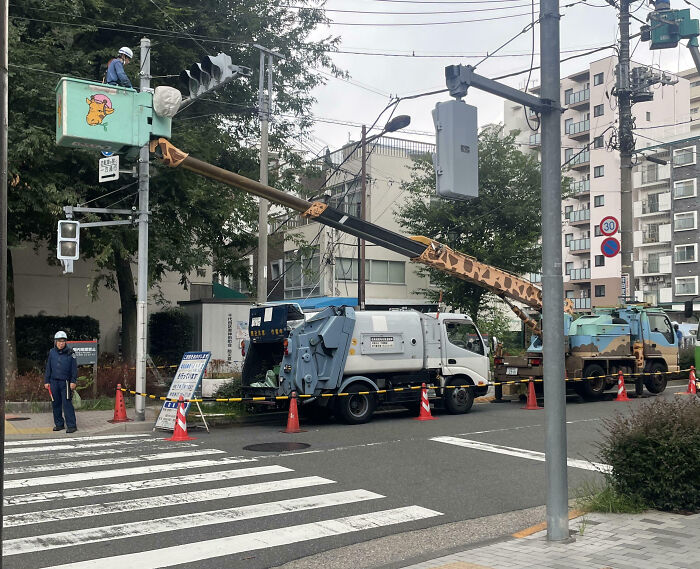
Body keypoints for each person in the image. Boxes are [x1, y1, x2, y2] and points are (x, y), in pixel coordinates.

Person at [44, 331, 78, 433]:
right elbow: (48, 367)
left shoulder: (71, 353)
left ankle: (72, 425)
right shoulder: (52, 352)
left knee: (67, 403)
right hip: (53, 382)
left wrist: (73, 381)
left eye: (63, 341)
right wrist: (46, 381)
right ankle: (59, 424)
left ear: (65, 342)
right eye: (59, 341)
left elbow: (74, 369)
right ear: (55, 342)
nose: (61, 343)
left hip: (66, 382)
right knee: (55, 403)